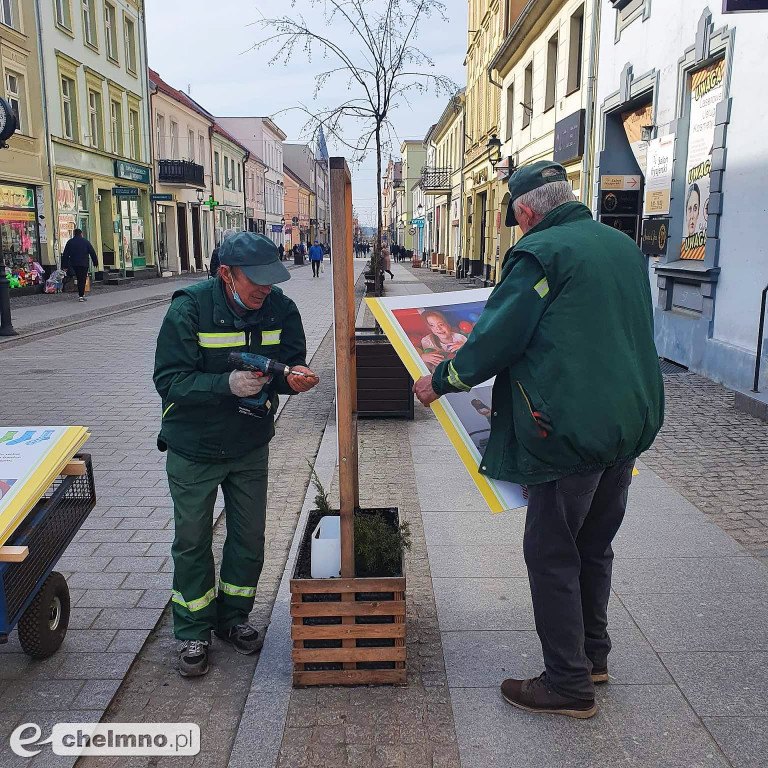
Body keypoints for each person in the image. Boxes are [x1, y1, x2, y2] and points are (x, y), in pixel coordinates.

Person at [413, 161, 664, 719]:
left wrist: (444, 380)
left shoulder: (540, 254)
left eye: (517, 222)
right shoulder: (621, 246)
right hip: (625, 424)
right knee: (594, 545)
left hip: (568, 430)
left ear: (526, 212)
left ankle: (568, 683)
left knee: (551, 551)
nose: (518, 230)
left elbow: (498, 336)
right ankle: (593, 658)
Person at [153, 232, 319, 678]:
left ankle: (234, 619)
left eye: (271, 279)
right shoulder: (189, 308)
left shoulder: (281, 308)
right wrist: (224, 385)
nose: (265, 289)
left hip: (249, 443)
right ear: (226, 274)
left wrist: (293, 379)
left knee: (249, 538)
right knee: (192, 541)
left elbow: (285, 366)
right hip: (194, 446)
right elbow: (169, 381)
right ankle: (192, 628)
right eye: (256, 280)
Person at [61, 229, 98, 302]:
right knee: (82, 279)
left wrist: (64, 265)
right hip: (84, 264)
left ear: (74, 234)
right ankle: (81, 295)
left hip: (74, 264)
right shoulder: (85, 242)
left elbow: (65, 254)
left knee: (77, 278)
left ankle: (80, 294)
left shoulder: (70, 242)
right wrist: (95, 262)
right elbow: (92, 252)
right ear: (81, 233)